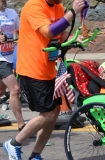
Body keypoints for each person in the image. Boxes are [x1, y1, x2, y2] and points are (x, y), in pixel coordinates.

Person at [3, 0, 86, 159]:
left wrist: (74, 38)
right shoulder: (34, 6)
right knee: (48, 114)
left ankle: (35, 155)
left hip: (48, 68)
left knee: (53, 114)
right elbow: (48, 31)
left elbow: (58, 35)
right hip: (32, 69)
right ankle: (14, 144)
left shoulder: (58, 6)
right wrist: (73, 12)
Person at [0, 0, 25, 130]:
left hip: (10, 57)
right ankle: (22, 125)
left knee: (0, 91)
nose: (3, 1)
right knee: (15, 89)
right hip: (0, 59)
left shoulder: (12, 13)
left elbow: (21, 32)